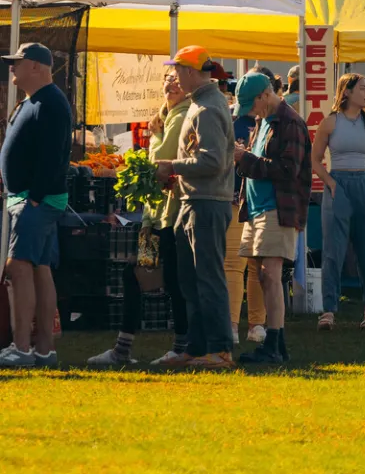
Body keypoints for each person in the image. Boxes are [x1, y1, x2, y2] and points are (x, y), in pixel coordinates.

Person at [88, 69, 194, 368]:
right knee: (135, 274)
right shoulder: (162, 118)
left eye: (176, 79)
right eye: (167, 79)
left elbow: (168, 162)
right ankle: (123, 350)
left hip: (174, 216)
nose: (170, 83)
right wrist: (146, 219)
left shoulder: (186, 116)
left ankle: (181, 347)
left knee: (174, 281)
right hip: (154, 217)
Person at [153, 46, 237, 371]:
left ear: (189, 72)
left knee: (208, 278)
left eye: (176, 70)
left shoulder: (207, 108)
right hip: (194, 200)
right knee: (191, 279)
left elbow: (212, 161)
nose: (173, 76)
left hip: (207, 203)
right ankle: (197, 346)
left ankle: (219, 349)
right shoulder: (201, 103)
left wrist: (171, 166)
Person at [231, 71, 311, 364]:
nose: (250, 112)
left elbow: (289, 170)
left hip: (278, 208)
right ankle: (276, 344)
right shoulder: (262, 121)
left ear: (265, 95)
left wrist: (245, 159)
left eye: (252, 105)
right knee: (263, 277)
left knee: (271, 275)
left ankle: (274, 345)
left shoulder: (290, 122)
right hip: (257, 208)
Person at [0, 44, 71, 369]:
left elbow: (53, 156)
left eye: (18, 63)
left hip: (35, 200)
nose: (11, 68)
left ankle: (22, 347)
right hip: (31, 198)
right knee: (39, 268)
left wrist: (35, 197)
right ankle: (44, 350)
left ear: (37, 67)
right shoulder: (33, 101)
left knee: (18, 268)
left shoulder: (51, 102)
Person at [312, 72, 365, 332]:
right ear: (346, 92)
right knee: (333, 250)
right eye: (362, 89)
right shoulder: (330, 122)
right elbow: (314, 160)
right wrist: (332, 183)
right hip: (339, 185)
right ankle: (329, 310)